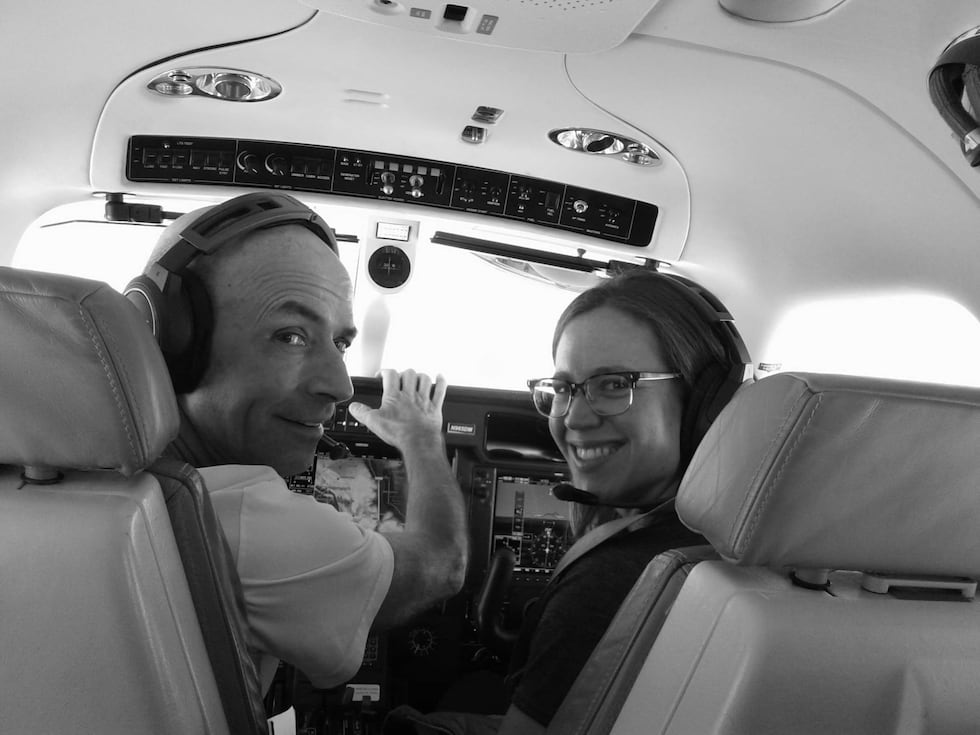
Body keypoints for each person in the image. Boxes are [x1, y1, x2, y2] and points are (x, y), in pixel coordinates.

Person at [131, 193, 468, 694]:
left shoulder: (48, 472)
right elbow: (441, 564)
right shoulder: (234, 518)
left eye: (341, 343)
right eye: (290, 335)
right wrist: (420, 437)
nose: (341, 386)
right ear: (171, 341)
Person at [386, 268, 745, 735]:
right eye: (562, 389)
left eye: (614, 384)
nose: (573, 418)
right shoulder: (749, 549)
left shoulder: (610, 584)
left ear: (705, 404)